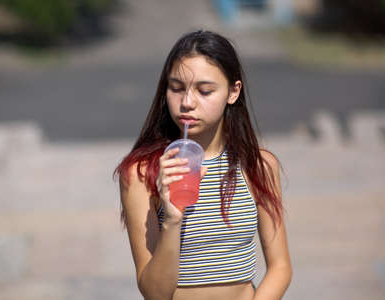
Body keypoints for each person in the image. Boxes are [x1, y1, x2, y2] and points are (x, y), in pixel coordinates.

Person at [114, 30, 292, 300]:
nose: (187, 102)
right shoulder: (142, 173)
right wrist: (172, 219)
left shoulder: (259, 165)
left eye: (205, 90)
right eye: (176, 88)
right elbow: (154, 293)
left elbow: (280, 267)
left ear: (233, 92)